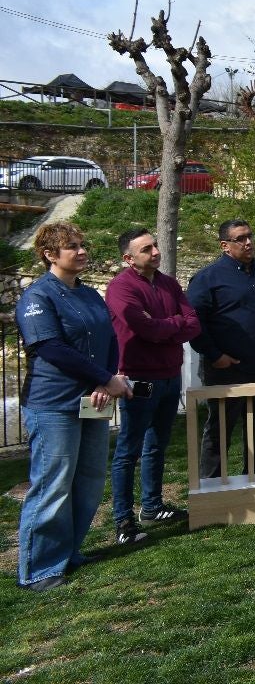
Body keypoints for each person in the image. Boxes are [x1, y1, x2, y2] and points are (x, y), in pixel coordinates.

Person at [16, 222, 131, 592]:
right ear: (50, 254)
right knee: (53, 485)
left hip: (92, 397)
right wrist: (101, 377)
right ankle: (39, 569)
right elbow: (50, 348)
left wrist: (104, 380)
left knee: (88, 481)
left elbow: (110, 338)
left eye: (83, 245)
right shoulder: (37, 297)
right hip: (53, 404)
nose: (81, 252)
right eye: (72, 247)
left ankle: (69, 553)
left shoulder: (89, 294)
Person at [105, 228, 201, 546]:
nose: (156, 252)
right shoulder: (121, 288)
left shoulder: (168, 283)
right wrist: (174, 324)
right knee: (129, 449)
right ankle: (123, 521)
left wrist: (166, 326)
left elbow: (193, 322)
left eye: (155, 246)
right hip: (140, 379)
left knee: (157, 444)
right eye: (147, 249)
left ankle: (152, 506)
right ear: (128, 258)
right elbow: (143, 328)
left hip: (171, 376)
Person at [188, 220, 255, 478]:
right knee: (221, 426)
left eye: (250, 236)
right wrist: (215, 355)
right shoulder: (207, 278)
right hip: (226, 368)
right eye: (240, 238)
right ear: (225, 245)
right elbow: (194, 321)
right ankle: (211, 481)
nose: (248, 242)